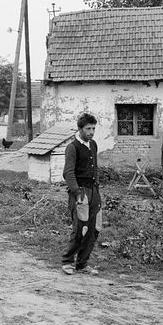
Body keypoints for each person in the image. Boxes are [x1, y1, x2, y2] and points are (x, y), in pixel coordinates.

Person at [61, 113, 102, 275]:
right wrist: (77, 192)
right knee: (80, 228)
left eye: (93, 128)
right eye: (88, 129)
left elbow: (96, 168)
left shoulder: (93, 145)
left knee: (94, 229)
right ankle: (67, 261)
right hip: (80, 192)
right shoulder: (73, 147)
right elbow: (68, 173)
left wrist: (97, 190)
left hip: (94, 191)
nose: (91, 132)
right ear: (80, 129)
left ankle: (82, 263)